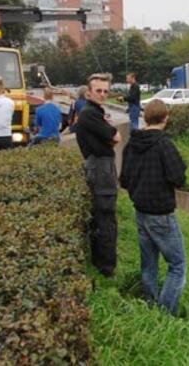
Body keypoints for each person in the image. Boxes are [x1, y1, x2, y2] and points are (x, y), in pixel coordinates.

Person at [121, 99, 187, 316]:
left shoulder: (131, 144)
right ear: (165, 118)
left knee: (149, 265)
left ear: (145, 118)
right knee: (177, 266)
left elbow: (124, 180)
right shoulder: (164, 144)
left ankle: (150, 306)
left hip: (141, 212)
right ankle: (165, 314)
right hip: (162, 215)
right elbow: (178, 178)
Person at [76, 73, 122, 277]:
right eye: (99, 91)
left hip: (101, 166)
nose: (103, 95)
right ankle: (106, 268)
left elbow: (112, 137)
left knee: (103, 216)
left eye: (106, 91)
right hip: (100, 168)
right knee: (106, 217)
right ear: (89, 92)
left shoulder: (94, 112)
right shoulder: (89, 114)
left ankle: (101, 262)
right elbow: (116, 137)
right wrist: (110, 134)